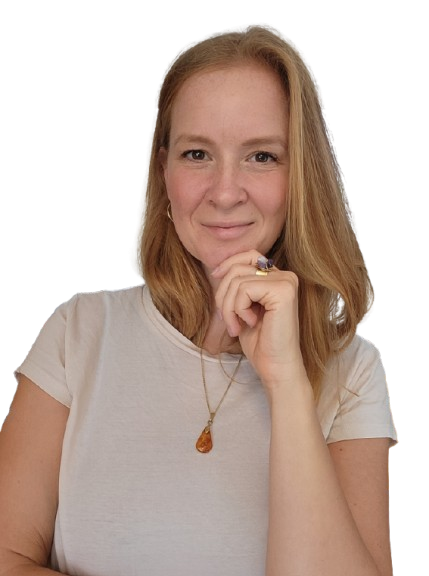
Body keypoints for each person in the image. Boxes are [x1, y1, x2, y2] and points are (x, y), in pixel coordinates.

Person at [1, 23, 397, 576]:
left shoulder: (352, 371)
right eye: (197, 153)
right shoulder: (78, 333)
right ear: (162, 170)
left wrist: (286, 383)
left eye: (262, 156)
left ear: (300, 176)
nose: (226, 191)